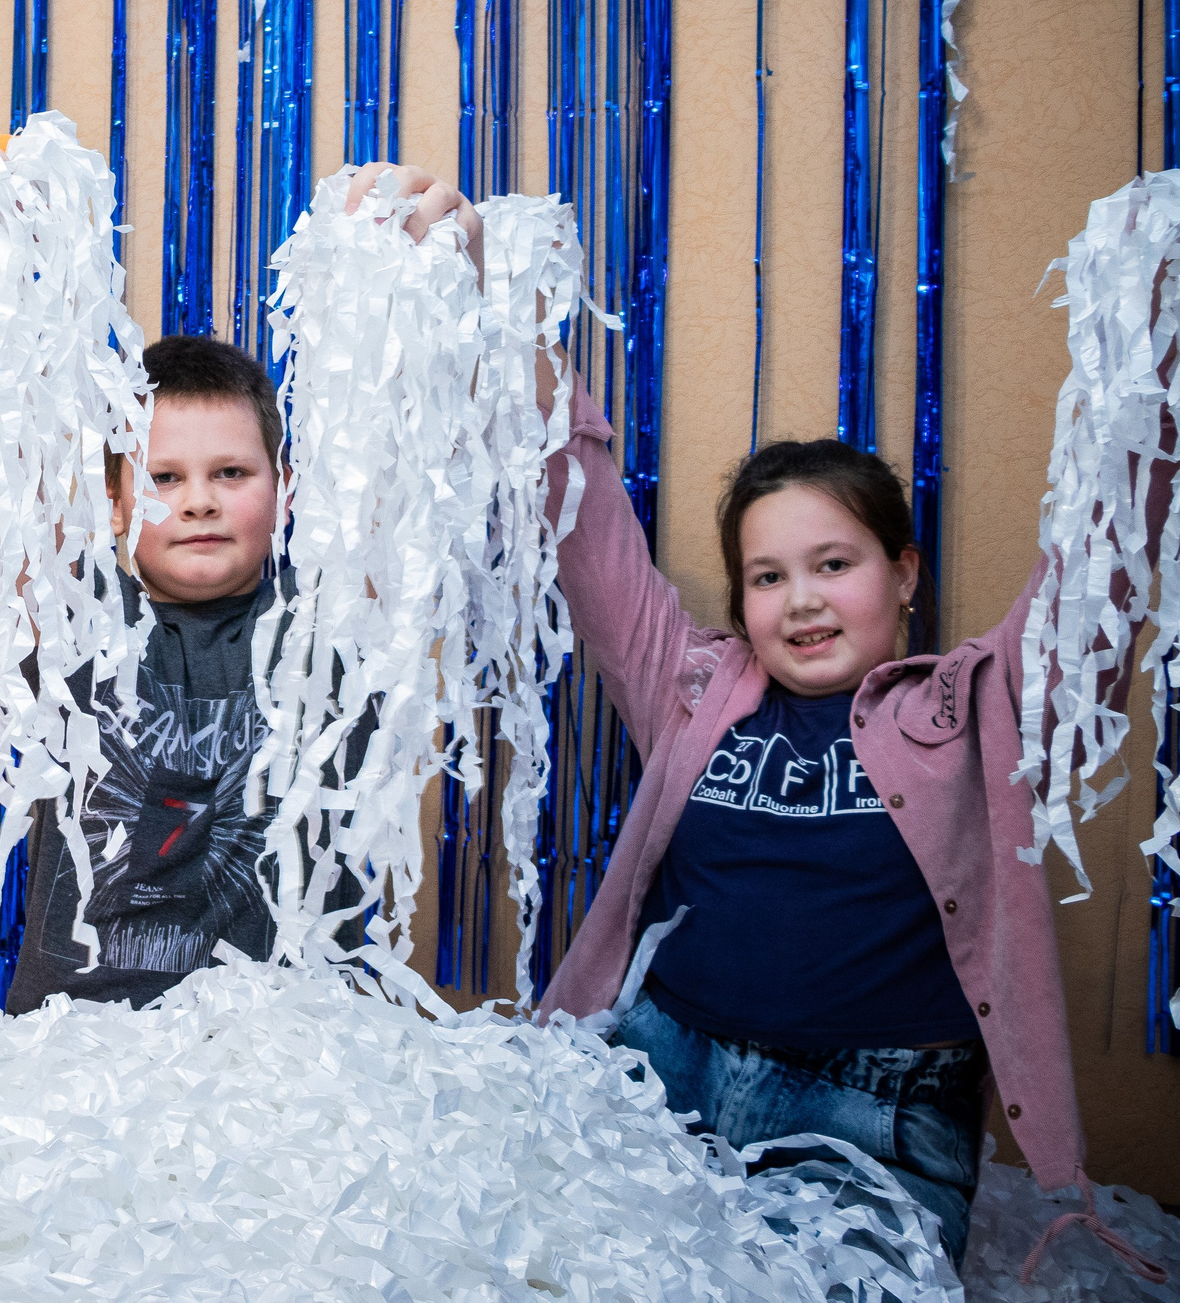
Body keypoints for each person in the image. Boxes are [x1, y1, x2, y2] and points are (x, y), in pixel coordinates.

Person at [342, 161, 1172, 1274]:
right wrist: (485, 287)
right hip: (659, 1069)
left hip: (870, 1115)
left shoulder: (975, 705)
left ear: (903, 572)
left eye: (835, 564)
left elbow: (1103, 563)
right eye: (768, 577)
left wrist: (1155, 322)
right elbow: (578, 502)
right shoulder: (693, 687)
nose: (803, 600)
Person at [1, 335, 290, 1012]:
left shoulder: (321, 632)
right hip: (75, 1043)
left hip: (282, 1049)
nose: (199, 501)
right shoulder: (78, 624)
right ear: (115, 502)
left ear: (285, 489)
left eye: (231, 473)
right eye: (164, 478)